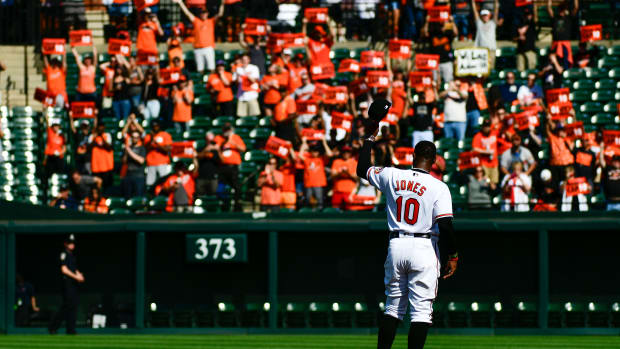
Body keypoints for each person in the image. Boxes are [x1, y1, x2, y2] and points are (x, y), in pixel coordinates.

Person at [356, 99, 457, 349]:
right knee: (421, 313)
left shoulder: (392, 174)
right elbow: (445, 227)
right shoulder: (439, 187)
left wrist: (369, 138)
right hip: (424, 246)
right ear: (434, 161)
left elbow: (362, 168)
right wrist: (452, 255)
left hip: (396, 244)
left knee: (393, 308)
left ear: (413, 155)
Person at [173, 0, 224, 74]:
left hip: (208, 48)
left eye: (205, 13)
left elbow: (220, 14)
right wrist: (181, 3)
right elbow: (187, 14)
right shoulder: (196, 21)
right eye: (202, 13)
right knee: (200, 69)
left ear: (207, 13)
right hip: (198, 49)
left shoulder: (211, 21)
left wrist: (222, 3)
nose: (203, 14)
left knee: (211, 68)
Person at [49, 234, 84, 335]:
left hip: (74, 284)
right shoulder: (63, 254)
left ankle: (71, 330)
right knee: (67, 306)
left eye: (73, 243)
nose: (72, 244)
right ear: (65, 244)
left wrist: (79, 275)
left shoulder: (72, 255)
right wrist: (76, 277)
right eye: (69, 242)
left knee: (73, 306)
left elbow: (74, 269)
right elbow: (64, 270)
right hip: (67, 283)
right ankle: (53, 327)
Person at [214, 123, 247, 211]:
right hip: (222, 167)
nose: (227, 132)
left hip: (233, 167)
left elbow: (243, 149)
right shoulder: (218, 138)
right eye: (225, 130)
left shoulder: (235, 138)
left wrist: (233, 143)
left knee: (237, 187)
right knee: (221, 188)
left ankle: (237, 206)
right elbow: (215, 148)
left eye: (228, 130)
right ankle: (224, 205)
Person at [299, 136, 333, 210]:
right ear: (311, 151)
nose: (315, 152)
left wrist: (324, 142)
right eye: (313, 151)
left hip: (319, 184)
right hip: (308, 184)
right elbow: (300, 155)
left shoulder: (321, 159)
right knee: (308, 202)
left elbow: (330, 154)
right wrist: (304, 143)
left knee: (320, 202)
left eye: (316, 151)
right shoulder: (308, 159)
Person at [547, 0, 579, 70]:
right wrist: (549, 2)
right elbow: (549, 9)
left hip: (565, 45)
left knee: (566, 63)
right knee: (554, 63)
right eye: (560, 10)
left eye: (563, 10)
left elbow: (576, 8)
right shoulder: (555, 18)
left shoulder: (568, 18)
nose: (561, 12)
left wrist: (576, 1)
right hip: (556, 45)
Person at [144, 120, 172, 187]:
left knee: (164, 182)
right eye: (153, 126)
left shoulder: (165, 135)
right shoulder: (148, 136)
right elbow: (146, 148)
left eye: (156, 126)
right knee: (150, 184)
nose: (155, 128)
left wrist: (157, 144)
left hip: (162, 162)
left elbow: (168, 149)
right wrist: (151, 139)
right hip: (151, 163)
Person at [472, 0, 499, 69]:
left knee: (491, 68)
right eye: (483, 15)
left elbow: (496, 12)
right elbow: (475, 12)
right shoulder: (479, 23)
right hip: (481, 50)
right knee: (481, 69)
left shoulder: (493, 23)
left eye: (486, 15)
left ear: (489, 15)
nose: (485, 17)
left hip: (491, 50)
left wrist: (496, 2)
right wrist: (473, 2)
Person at [193, 131, 221, 196]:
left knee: (213, 196)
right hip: (201, 177)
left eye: (211, 141)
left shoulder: (216, 150)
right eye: (209, 140)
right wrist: (205, 150)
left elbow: (222, 161)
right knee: (199, 196)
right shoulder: (201, 149)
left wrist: (218, 150)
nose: (210, 143)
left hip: (213, 177)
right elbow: (197, 157)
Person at [88, 123, 114, 191]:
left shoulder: (107, 135)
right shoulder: (92, 136)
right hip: (96, 166)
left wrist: (102, 137)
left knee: (107, 187)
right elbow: (89, 148)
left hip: (106, 166)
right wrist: (95, 137)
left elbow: (109, 147)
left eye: (101, 127)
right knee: (96, 186)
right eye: (99, 127)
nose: (100, 129)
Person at [234, 53, 261, 117]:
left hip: (252, 95)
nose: (244, 61)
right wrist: (238, 75)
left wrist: (245, 74)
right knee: (241, 116)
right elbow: (236, 83)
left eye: (246, 59)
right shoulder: (238, 69)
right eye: (243, 59)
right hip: (241, 96)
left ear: (249, 60)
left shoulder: (254, 68)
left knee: (254, 115)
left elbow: (253, 80)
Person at [472, 119, 499, 184]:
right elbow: (474, 149)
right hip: (484, 163)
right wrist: (486, 152)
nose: (487, 128)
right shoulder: (478, 136)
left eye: (488, 126)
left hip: (494, 163)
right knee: (485, 182)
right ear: (482, 127)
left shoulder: (494, 133)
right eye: (485, 126)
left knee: (494, 183)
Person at [121, 130, 147, 199]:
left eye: (137, 137)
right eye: (133, 137)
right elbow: (124, 161)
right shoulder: (127, 148)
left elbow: (141, 161)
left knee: (138, 198)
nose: (135, 139)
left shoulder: (142, 148)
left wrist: (129, 151)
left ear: (139, 138)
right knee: (127, 197)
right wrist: (126, 151)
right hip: (128, 175)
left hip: (139, 176)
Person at [43, 116, 66, 181]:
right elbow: (47, 123)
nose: (56, 127)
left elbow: (64, 147)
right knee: (49, 174)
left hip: (58, 158)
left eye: (57, 126)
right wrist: (45, 111)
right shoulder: (50, 133)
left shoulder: (62, 136)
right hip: (50, 157)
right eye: (54, 126)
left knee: (59, 173)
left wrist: (60, 153)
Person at [515, 7, 537, 71]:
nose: (528, 16)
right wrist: (519, 37)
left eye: (529, 15)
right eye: (526, 15)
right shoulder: (519, 25)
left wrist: (534, 5)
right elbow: (513, 38)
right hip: (520, 50)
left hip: (530, 50)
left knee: (531, 71)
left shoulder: (532, 24)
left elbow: (536, 18)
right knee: (520, 71)